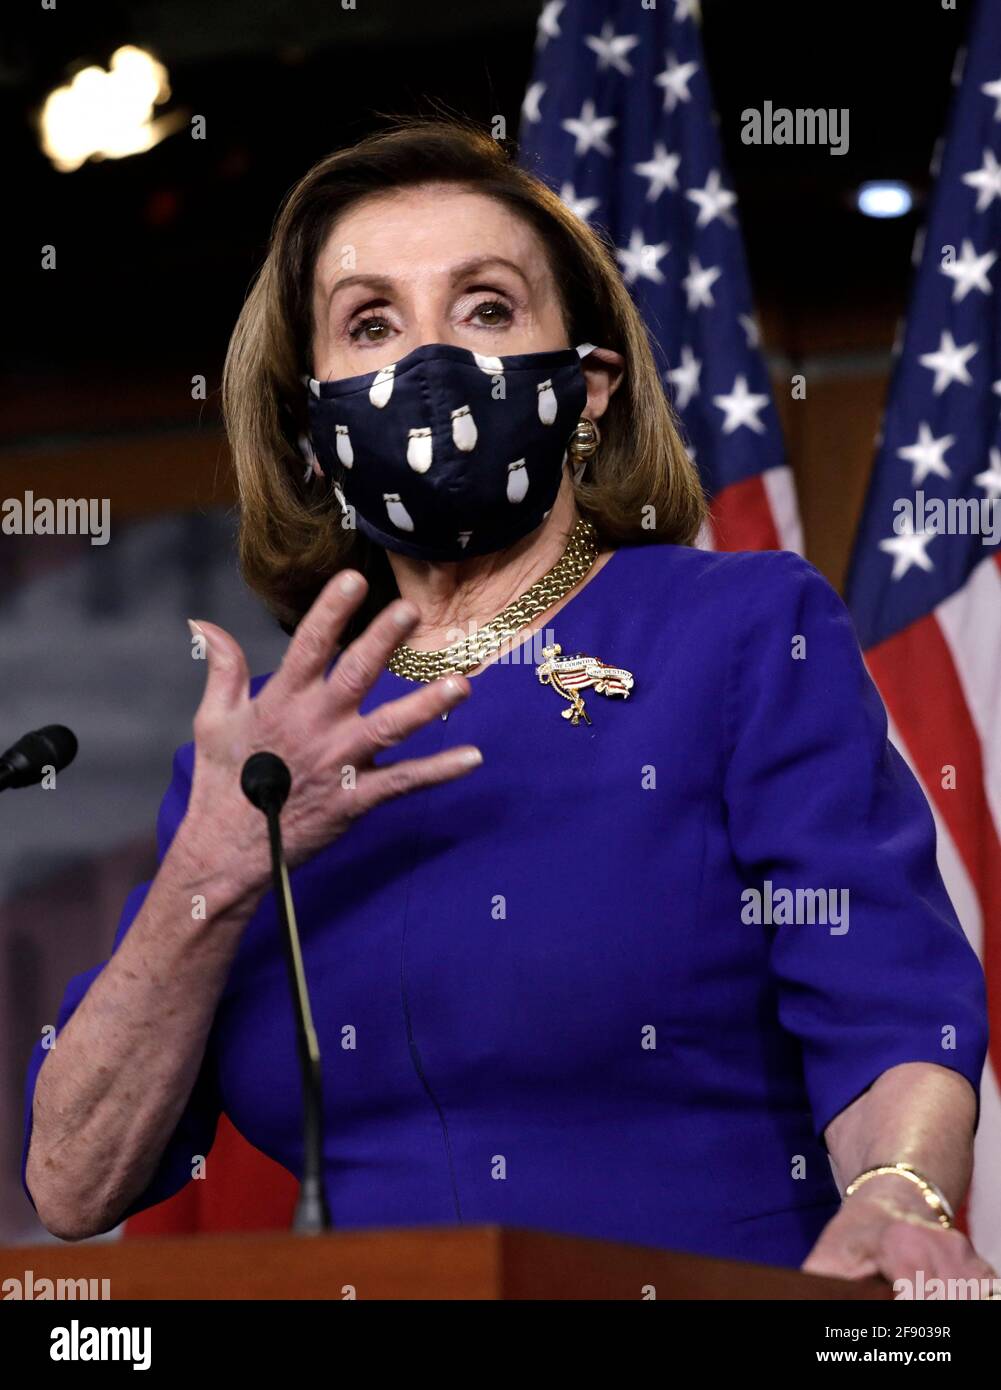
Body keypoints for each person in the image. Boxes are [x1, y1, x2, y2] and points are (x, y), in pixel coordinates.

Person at [23, 120, 994, 1285]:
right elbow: (74, 1178)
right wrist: (215, 866)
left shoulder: (731, 633)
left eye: (485, 308)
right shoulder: (266, 749)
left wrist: (900, 1193)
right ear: (313, 431)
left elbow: (886, 1007)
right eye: (369, 324)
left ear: (587, 390)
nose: (429, 360)